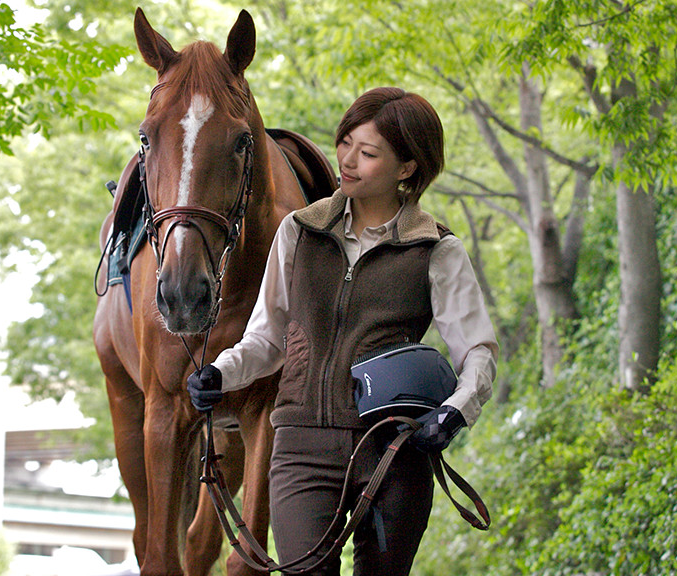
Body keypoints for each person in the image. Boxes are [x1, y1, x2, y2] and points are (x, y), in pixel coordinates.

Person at [188, 86, 498, 575]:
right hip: (301, 448)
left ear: (407, 168)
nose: (348, 160)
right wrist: (220, 374)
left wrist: (456, 413)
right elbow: (266, 339)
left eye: (369, 152)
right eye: (346, 142)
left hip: (393, 451)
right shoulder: (298, 231)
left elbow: (476, 351)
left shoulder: (436, 249)